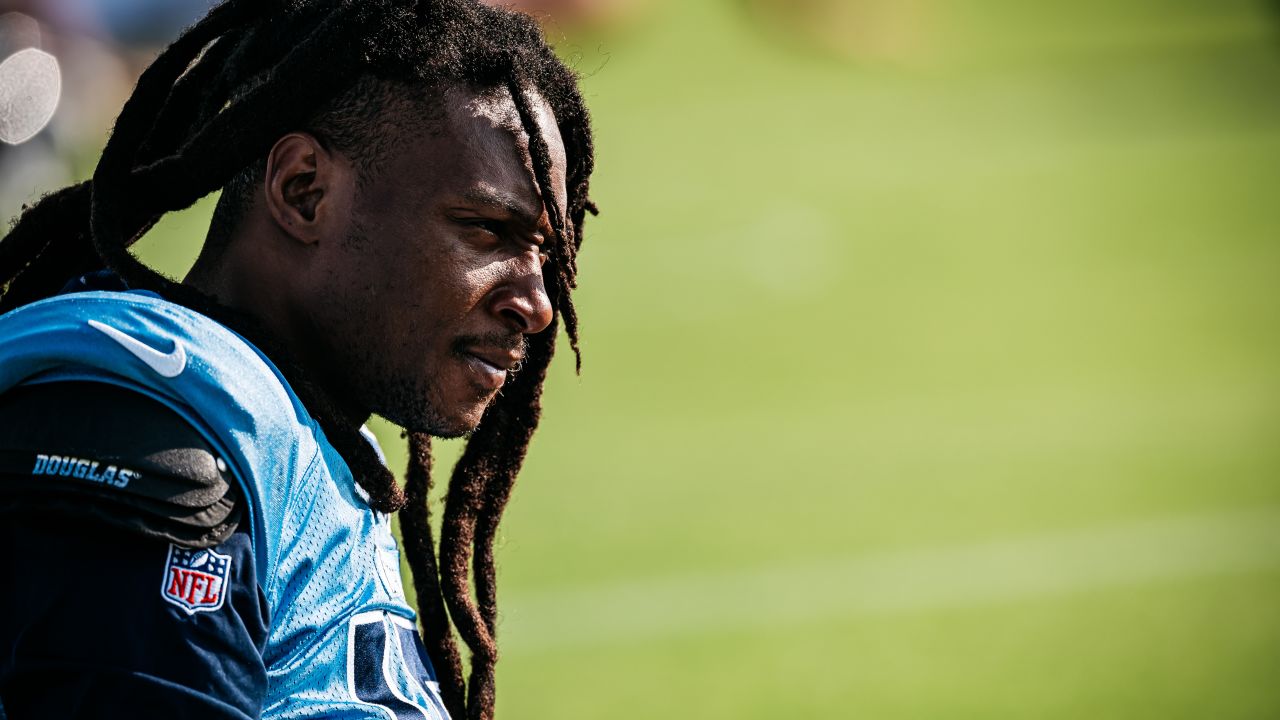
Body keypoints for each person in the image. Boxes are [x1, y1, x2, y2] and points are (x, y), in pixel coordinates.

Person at [0, 0, 596, 718]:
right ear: (303, 191)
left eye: (547, 252)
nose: (535, 303)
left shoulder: (296, 438)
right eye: (485, 230)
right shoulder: (148, 430)